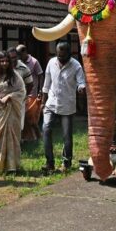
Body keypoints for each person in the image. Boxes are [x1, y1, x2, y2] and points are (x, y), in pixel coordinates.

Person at [41, 42, 86, 173]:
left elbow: (81, 82)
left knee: (66, 135)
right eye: (58, 56)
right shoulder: (51, 63)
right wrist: (43, 103)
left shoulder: (76, 66)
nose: (60, 59)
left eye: (63, 56)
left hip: (67, 104)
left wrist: (81, 88)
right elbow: (46, 84)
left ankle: (66, 162)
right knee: (46, 129)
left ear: (69, 54)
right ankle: (50, 163)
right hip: (51, 102)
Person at [0, 51, 26, 173]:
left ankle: (12, 166)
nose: (4, 63)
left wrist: (10, 97)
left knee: (11, 138)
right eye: (2, 61)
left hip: (10, 112)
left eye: (7, 61)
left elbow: (22, 91)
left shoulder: (15, 76)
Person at [17, 44, 44, 141]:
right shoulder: (18, 63)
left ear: (25, 52)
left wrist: (41, 90)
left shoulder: (34, 61)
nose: (18, 57)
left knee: (31, 119)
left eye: (20, 54)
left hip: (32, 94)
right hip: (22, 95)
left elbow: (40, 75)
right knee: (23, 117)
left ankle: (38, 136)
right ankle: (28, 138)